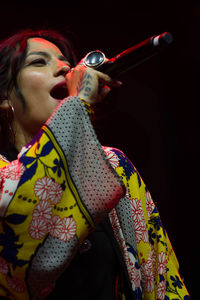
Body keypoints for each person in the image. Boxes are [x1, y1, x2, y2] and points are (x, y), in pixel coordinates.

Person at [0, 29, 190, 300]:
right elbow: (22, 246)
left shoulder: (114, 166)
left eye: (66, 62)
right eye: (39, 62)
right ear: (4, 98)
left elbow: (160, 279)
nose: (65, 68)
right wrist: (78, 102)